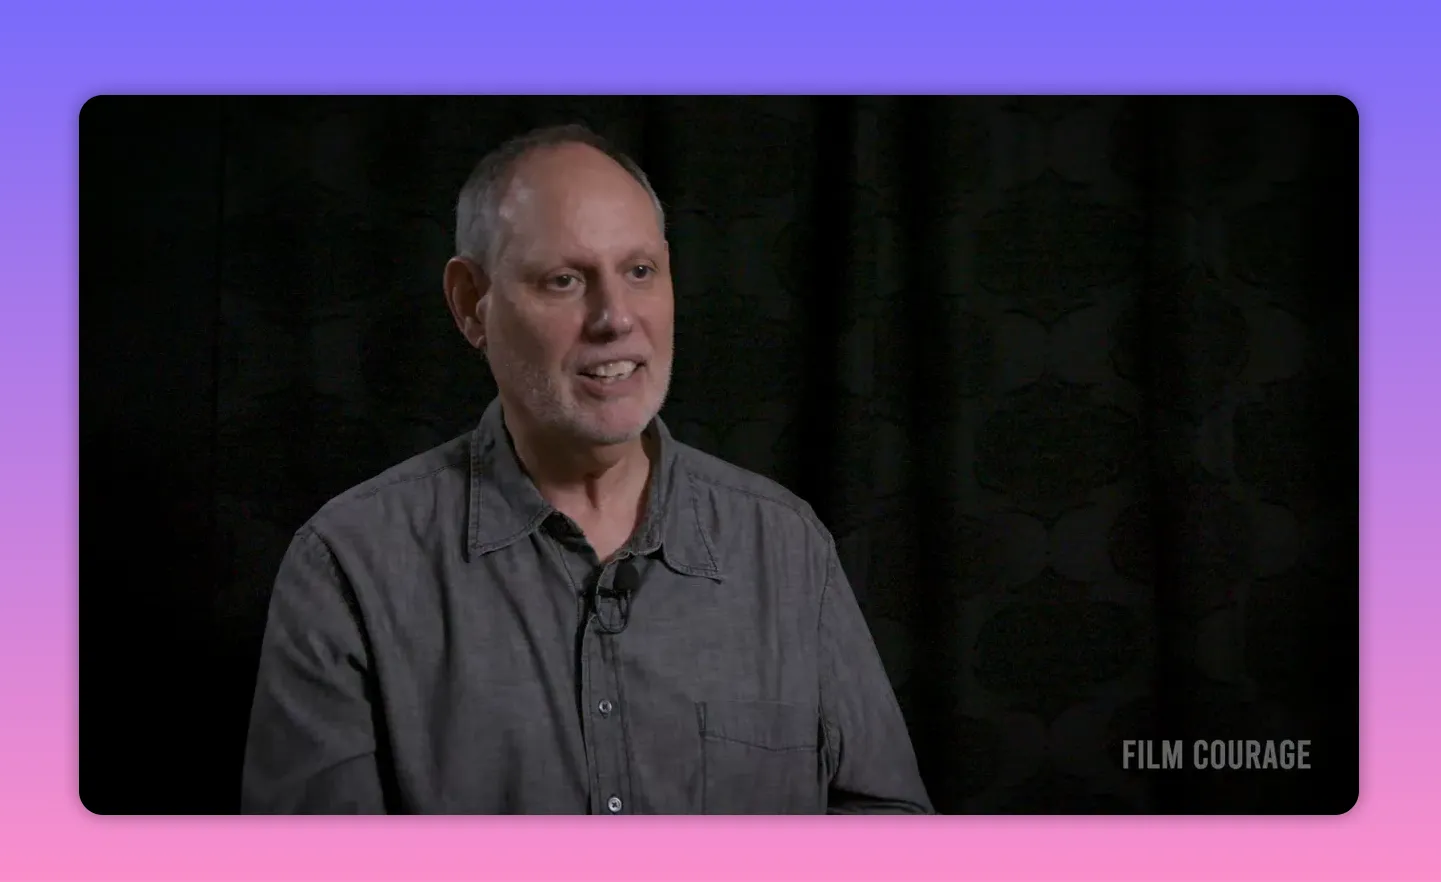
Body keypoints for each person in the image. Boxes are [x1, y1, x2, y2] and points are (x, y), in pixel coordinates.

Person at [240, 124, 933, 815]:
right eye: (565, 280)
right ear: (470, 303)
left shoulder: (786, 547)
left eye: (639, 272)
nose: (615, 319)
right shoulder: (350, 565)